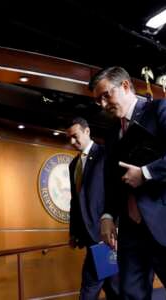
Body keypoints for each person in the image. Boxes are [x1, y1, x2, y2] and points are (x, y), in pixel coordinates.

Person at [89, 66, 166, 300]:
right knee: (130, 294)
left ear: (125, 86)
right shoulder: (112, 133)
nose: (103, 104)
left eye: (106, 95)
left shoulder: (160, 109)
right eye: (98, 100)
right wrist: (107, 216)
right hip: (132, 230)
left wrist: (146, 173)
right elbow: (114, 181)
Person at [66, 117, 119, 300]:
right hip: (88, 236)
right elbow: (75, 201)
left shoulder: (105, 154)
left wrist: (115, 225)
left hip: (105, 236)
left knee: (95, 287)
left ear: (87, 131)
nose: (72, 142)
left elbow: (114, 191)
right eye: (70, 138)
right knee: (110, 286)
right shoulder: (73, 165)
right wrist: (73, 232)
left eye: (76, 136)